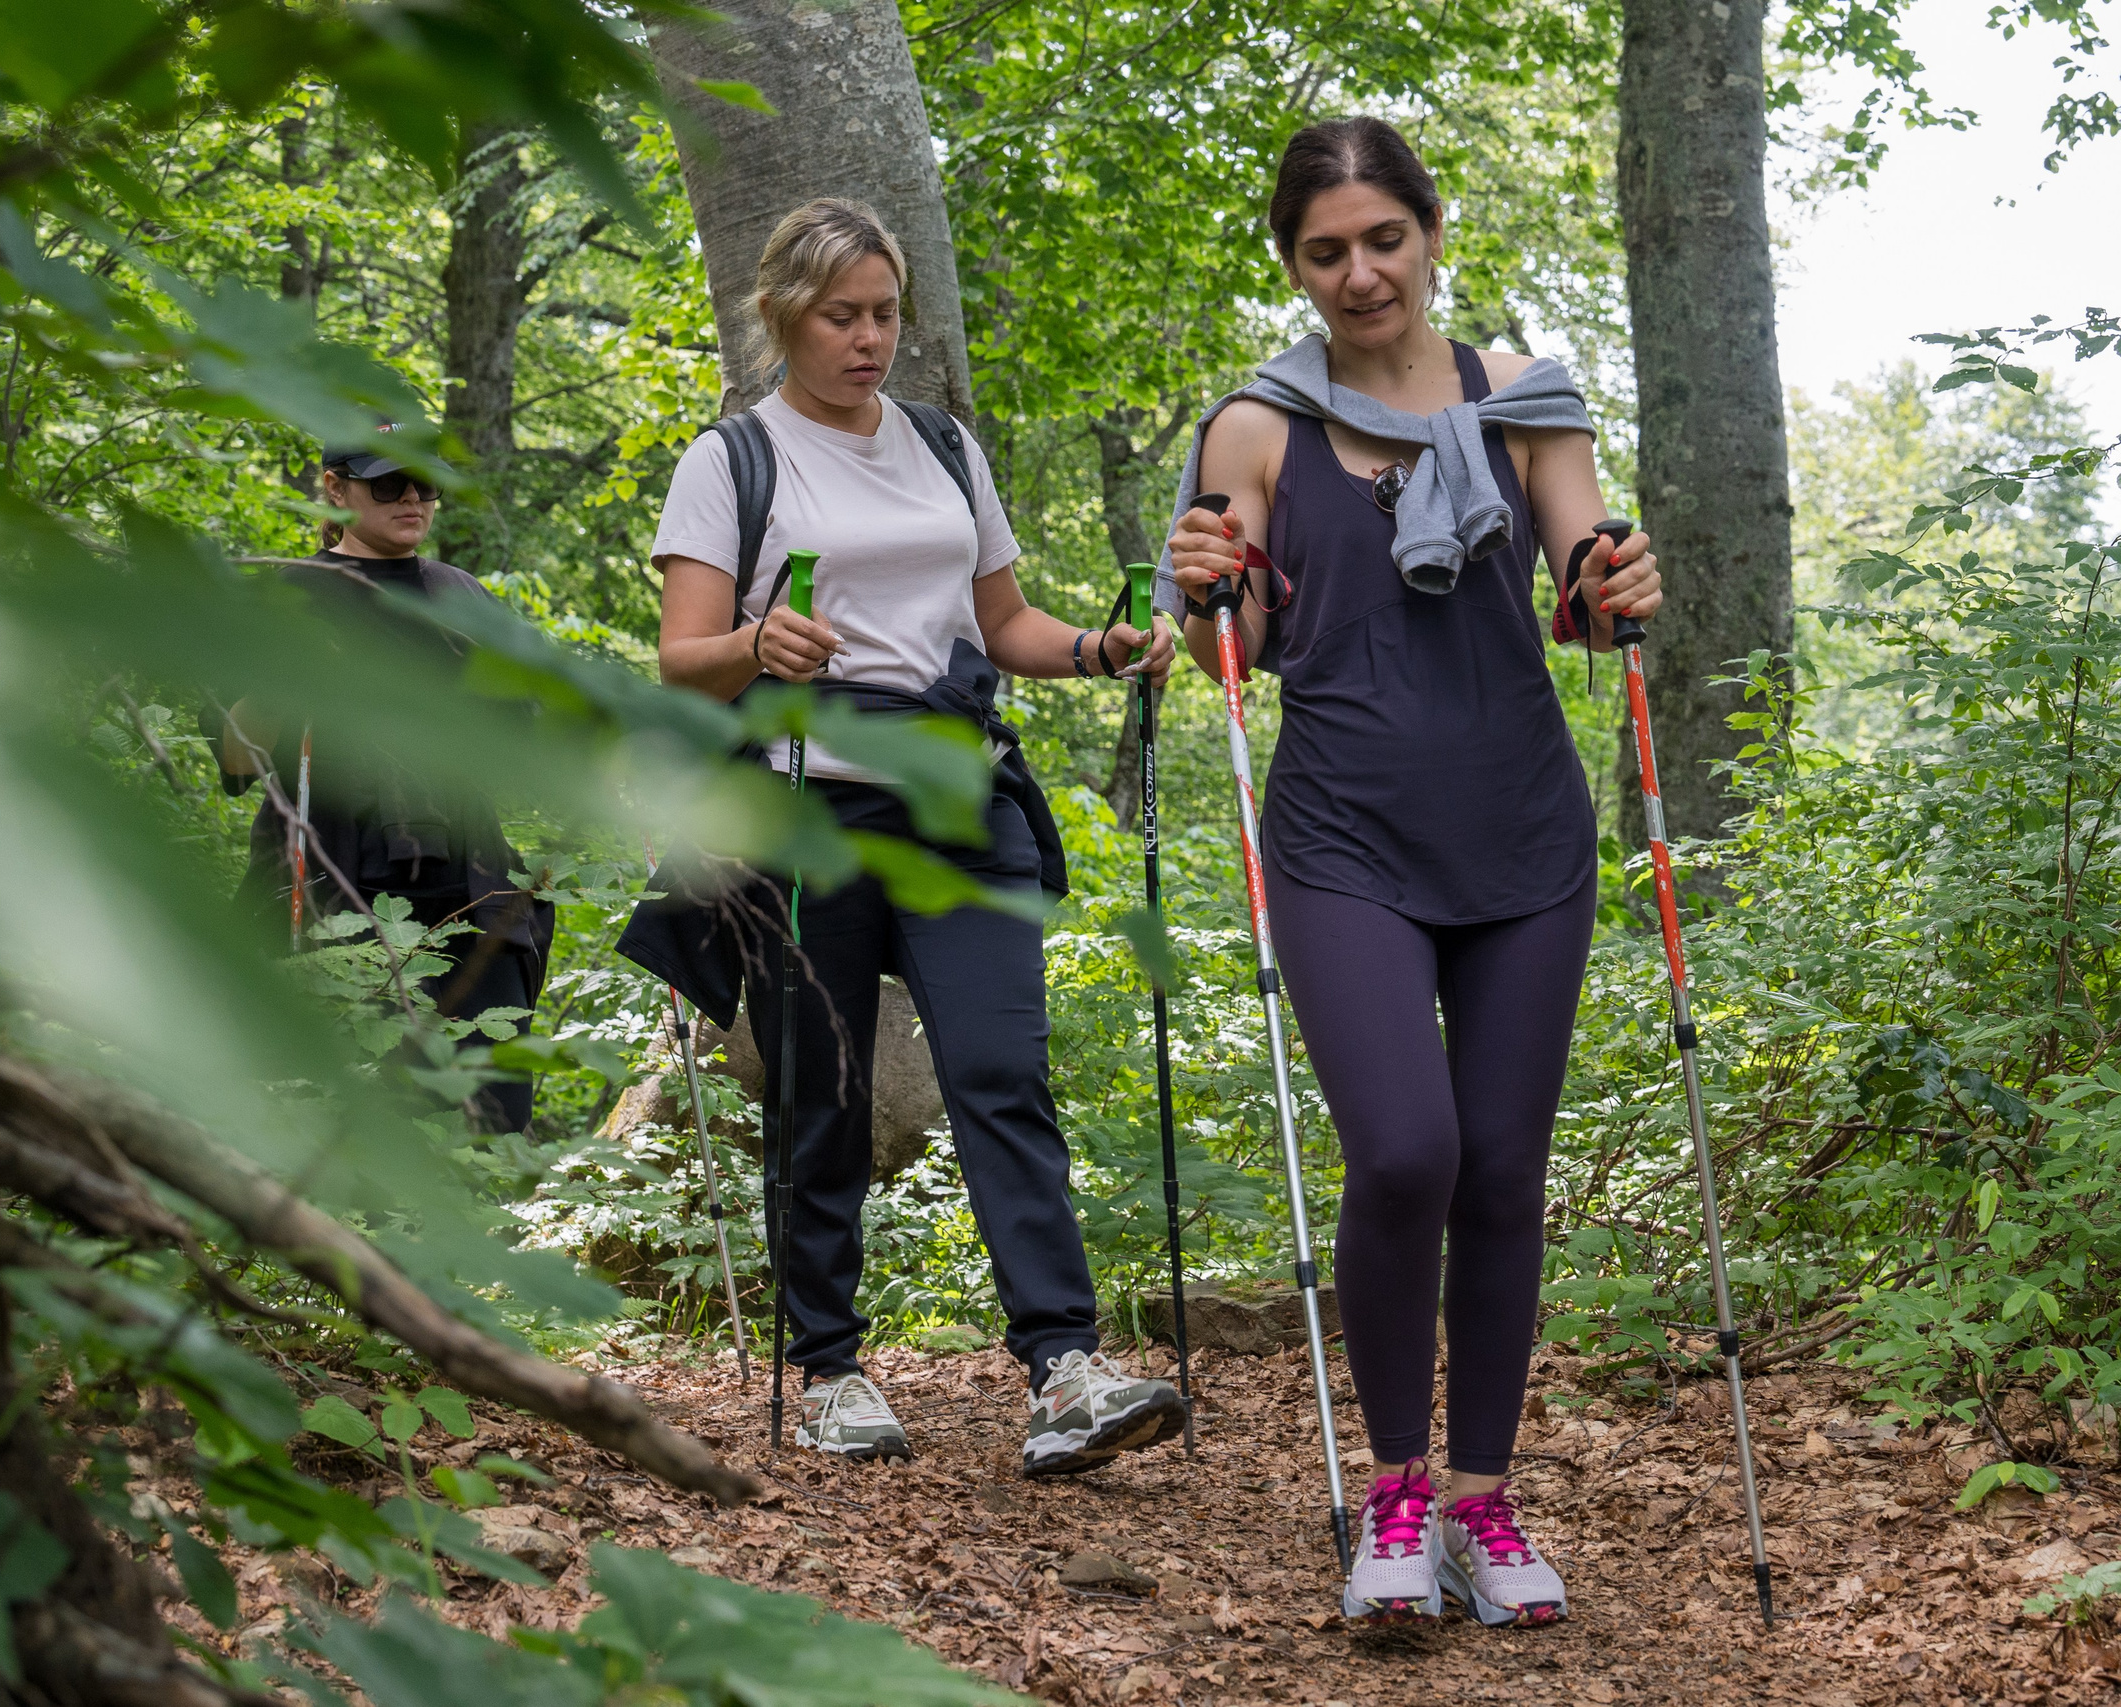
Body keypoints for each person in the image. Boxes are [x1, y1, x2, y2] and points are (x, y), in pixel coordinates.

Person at [1159, 117, 1663, 1626]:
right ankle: (1391, 1494)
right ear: (1293, 263)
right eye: (1328, 250)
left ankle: (1484, 1502)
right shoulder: (1254, 426)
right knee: (1404, 1153)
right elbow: (1220, 645)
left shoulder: (1527, 401)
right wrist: (1201, 592)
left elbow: (1585, 590)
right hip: (1340, 837)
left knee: (1503, 1169)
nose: (1362, 272)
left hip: (1521, 831)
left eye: (1386, 237)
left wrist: (1616, 579)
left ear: (1432, 233)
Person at [625, 197, 1186, 1476]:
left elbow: (1004, 624)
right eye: (843, 316)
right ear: (783, 316)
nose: (870, 338)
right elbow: (679, 663)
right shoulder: (733, 460)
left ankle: (1062, 1366)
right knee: (818, 1094)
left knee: (1001, 1070)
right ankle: (827, 1368)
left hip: (953, 790)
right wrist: (759, 644)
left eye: (884, 313)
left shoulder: (942, 445)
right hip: (805, 799)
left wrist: (1098, 651)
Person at [219, 432, 553, 1135]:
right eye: (388, 485)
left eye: (425, 485)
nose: (412, 499)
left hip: (470, 896)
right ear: (335, 488)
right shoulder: (287, 589)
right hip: (330, 888)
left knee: (490, 1129)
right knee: (352, 1133)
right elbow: (238, 759)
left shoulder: (461, 596)